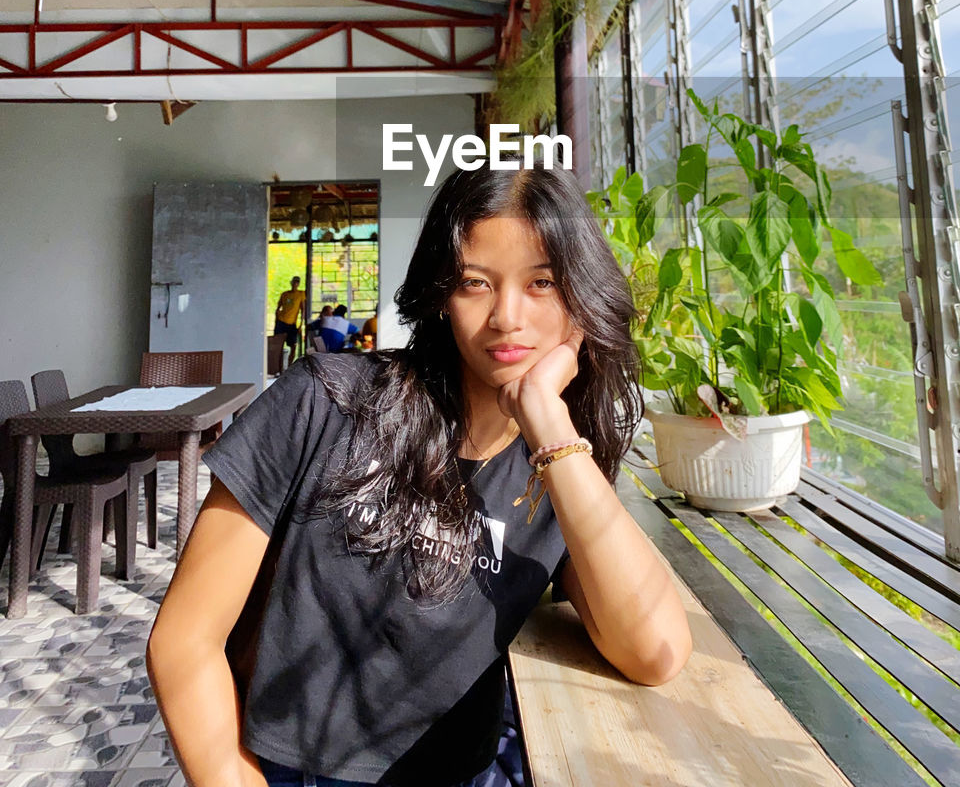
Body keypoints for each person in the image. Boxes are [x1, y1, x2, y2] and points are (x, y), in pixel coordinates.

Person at [146, 163, 692, 787]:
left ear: (582, 298)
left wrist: (548, 421)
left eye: (542, 283)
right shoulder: (326, 401)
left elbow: (655, 653)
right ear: (441, 295)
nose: (506, 317)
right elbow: (183, 642)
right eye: (474, 283)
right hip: (291, 770)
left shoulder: (561, 468)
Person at [273, 276, 306, 362]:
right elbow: (278, 308)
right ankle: (279, 369)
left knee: (293, 346)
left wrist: (301, 324)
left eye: (297, 282)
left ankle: (289, 366)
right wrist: (276, 320)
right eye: (294, 282)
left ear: (299, 284)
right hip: (281, 321)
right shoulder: (285, 294)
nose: (295, 284)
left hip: (292, 323)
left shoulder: (300, 294)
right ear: (291, 283)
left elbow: (303, 310)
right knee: (279, 346)